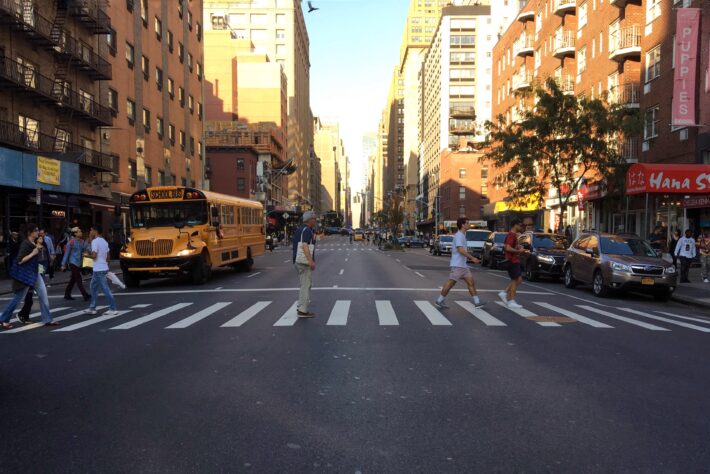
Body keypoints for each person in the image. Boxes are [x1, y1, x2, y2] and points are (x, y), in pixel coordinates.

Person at [0, 224, 58, 329]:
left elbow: (38, 259)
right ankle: (3, 319)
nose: (38, 232)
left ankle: (48, 319)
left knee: (43, 295)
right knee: (18, 298)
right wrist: (33, 253)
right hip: (25, 276)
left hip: (34, 274)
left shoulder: (34, 243)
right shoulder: (25, 244)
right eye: (36, 230)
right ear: (30, 232)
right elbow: (19, 260)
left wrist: (38, 250)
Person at [435, 218, 483, 309]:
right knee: (450, 283)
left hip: (463, 265)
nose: (469, 225)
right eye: (467, 223)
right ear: (462, 225)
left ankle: (477, 302)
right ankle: (439, 300)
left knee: (471, 282)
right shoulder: (459, 236)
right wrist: (472, 258)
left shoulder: (462, 235)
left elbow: (462, 250)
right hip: (457, 265)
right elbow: (460, 250)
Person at [15, 232, 52, 324]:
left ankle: (25, 315)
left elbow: (46, 258)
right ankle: (21, 315)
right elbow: (22, 260)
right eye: (39, 238)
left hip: (39, 270)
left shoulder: (43, 247)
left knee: (32, 297)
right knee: (25, 298)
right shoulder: (31, 246)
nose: (41, 239)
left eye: (42, 238)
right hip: (30, 273)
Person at [85, 225, 117, 315]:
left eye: (91, 230)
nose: (90, 232)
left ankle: (113, 308)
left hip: (98, 269)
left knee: (105, 289)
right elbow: (108, 258)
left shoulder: (95, 242)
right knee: (93, 287)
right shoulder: (104, 242)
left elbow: (94, 256)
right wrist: (106, 266)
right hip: (102, 268)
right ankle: (92, 307)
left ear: (95, 231)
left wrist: (85, 255)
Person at [498, 218, 528, 309]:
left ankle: (504, 293)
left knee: (518, 280)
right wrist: (519, 251)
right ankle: (511, 300)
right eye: (520, 225)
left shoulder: (513, 235)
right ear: (515, 225)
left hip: (513, 260)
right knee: (516, 280)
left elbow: (509, 246)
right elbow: (507, 248)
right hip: (512, 260)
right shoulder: (511, 235)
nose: (521, 227)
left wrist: (518, 247)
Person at [292, 211, 318, 317]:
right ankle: (303, 310)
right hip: (303, 262)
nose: (315, 221)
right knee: (306, 285)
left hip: (299, 261)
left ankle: (301, 307)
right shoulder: (306, 230)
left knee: (305, 284)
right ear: (309, 220)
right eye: (314, 219)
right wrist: (310, 261)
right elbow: (304, 245)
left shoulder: (303, 229)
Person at [61, 227, 90, 301]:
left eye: (80, 231)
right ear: (75, 234)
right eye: (79, 231)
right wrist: (63, 264)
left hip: (79, 263)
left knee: (73, 280)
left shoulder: (82, 241)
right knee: (79, 279)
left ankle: (67, 294)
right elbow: (66, 254)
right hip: (73, 263)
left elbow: (87, 249)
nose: (81, 232)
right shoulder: (71, 242)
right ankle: (85, 295)